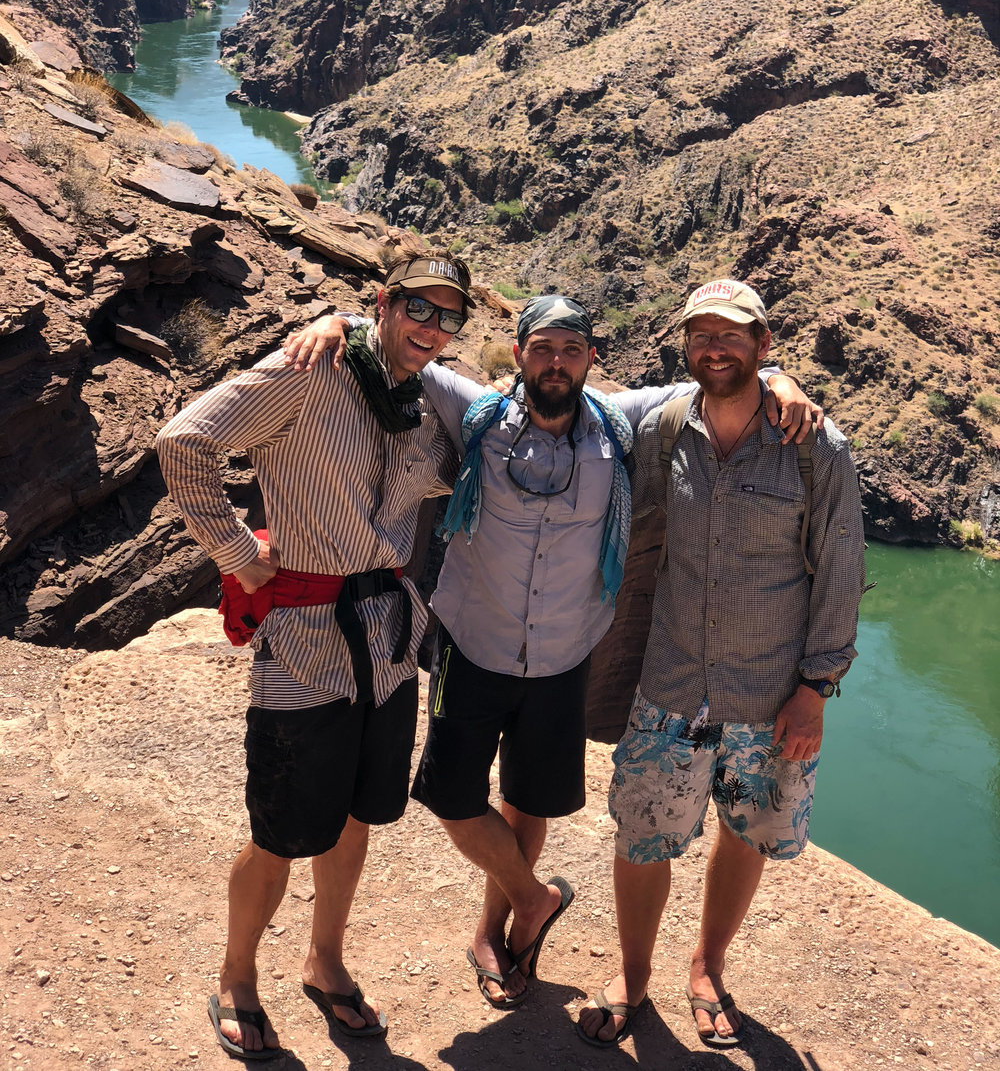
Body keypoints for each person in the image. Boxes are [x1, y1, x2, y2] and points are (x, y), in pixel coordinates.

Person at [285, 293, 820, 1010]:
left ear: (591, 359)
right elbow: (398, 346)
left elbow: (720, 374)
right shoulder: (473, 411)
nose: (558, 362)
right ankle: (535, 897)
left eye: (572, 349)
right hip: (472, 643)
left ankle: (497, 933)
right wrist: (338, 320)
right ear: (519, 352)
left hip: (565, 655)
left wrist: (780, 375)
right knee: (449, 795)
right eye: (544, 348)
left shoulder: (619, 422)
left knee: (526, 800)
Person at [156, 253, 474, 1059]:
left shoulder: (424, 396)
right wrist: (233, 550)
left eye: (447, 317)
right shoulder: (310, 367)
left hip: (389, 640)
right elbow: (184, 440)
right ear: (384, 301)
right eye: (417, 309)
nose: (430, 328)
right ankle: (236, 975)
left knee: (357, 815)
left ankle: (324, 959)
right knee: (279, 829)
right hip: (304, 639)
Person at [577, 278, 866, 1049]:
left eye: (733, 334)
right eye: (702, 333)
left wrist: (816, 689)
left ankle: (707, 965)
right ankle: (634, 976)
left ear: (762, 345)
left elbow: (839, 573)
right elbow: (569, 397)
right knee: (642, 836)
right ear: (686, 345)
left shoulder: (816, 449)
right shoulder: (666, 427)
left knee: (744, 832)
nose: (716, 346)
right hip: (669, 683)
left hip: (769, 696)